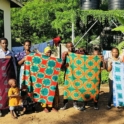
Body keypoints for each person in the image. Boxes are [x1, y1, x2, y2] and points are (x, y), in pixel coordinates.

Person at [0, 38, 16, 117]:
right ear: (0, 44)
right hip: (0, 76)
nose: (5, 44)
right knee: (1, 92)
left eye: (6, 43)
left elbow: (14, 65)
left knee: (10, 92)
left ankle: (11, 108)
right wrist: (5, 58)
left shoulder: (11, 53)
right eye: (3, 43)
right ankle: (0, 109)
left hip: (9, 76)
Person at [60, 42, 79, 110]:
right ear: (66, 47)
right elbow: (61, 66)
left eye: (71, 46)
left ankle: (75, 103)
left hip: (75, 75)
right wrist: (64, 58)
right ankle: (65, 104)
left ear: (73, 46)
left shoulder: (76, 54)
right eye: (68, 47)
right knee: (66, 89)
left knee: (75, 88)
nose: (70, 48)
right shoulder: (64, 54)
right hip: (67, 74)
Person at [41, 46, 59, 113]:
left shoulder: (53, 60)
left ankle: (53, 106)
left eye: (50, 52)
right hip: (45, 79)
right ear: (45, 53)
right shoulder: (42, 60)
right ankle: (45, 107)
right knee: (45, 92)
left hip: (53, 78)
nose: (49, 53)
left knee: (53, 92)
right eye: (47, 52)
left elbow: (57, 67)